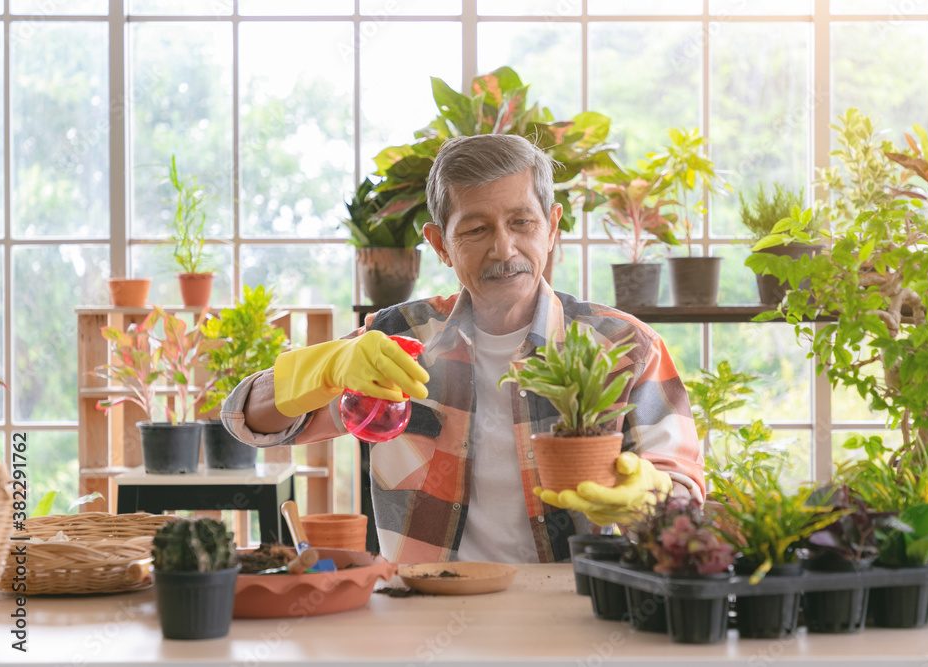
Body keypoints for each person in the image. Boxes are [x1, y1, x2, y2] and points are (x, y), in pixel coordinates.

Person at [222, 134, 704, 565]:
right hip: (428, 609)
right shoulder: (395, 339)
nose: (504, 249)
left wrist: (651, 495)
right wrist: (327, 367)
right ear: (440, 244)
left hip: (577, 611)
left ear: (552, 227)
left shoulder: (626, 346)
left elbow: (684, 504)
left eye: (522, 223)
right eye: (476, 230)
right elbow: (249, 420)